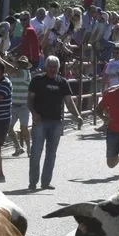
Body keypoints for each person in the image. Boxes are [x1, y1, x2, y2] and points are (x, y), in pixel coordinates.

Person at [27, 55, 83, 191]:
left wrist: (77, 115)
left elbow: (69, 102)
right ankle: (33, 182)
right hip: (40, 121)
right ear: (46, 67)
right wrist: (34, 113)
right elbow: (29, 100)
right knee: (36, 153)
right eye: (50, 66)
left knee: (51, 154)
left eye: (55, 67)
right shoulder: (37, 80)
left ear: (59, 68)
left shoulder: (62, 82)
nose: (53, 69)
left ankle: (45, 182)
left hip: (56, 122)